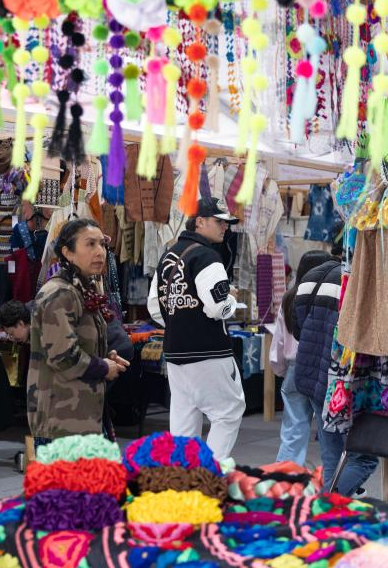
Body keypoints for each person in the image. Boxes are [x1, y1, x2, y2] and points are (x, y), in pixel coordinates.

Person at [147, 197, 246, 460]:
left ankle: (184, 478)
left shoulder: (168, 256)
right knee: (228, 412)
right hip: (208, 350)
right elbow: (217, 307)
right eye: (219, 222)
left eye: (226, 223)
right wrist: (231, 300)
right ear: (200, 221)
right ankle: (209, 472)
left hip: (175, 352)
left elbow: (154, 307)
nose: (225, 227)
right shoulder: (207, 257)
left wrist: (180, 322)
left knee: (184, 420)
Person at [27, 219, 129, 446]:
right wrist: (103, 367)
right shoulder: (59, 293)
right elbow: (62, 356)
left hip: (83, 415)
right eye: (90, 244)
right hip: (62, 421)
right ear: (68, 253)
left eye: (102, 244)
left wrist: (106, 357)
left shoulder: (81, 288)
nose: (99, 252)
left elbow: (79, 343)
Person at [292, 241, 378, 495]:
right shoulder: (357, 279)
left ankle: (327, 510)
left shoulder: (310, 276)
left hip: (310, 375)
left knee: (332, 455)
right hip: (343, 378)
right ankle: (328, 503)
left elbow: (298, 328)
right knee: (363, 458)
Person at [270, 250, 332, 465]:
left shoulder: (289, 297)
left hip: (294, 369)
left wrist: (280, 369)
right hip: (321, 367)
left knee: (293, 429)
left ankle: (285, 475)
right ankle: (332, 477)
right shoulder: (328, 296)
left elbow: (279, 339)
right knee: (328, 432)